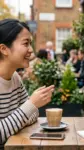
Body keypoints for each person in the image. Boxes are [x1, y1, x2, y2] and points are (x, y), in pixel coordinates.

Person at [0, 19, 54, 148]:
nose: (31, 50)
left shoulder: (14, 78)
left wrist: (18, 117)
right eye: (26, 44)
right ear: (4, 49)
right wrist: (31, 104)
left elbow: (33, 114)